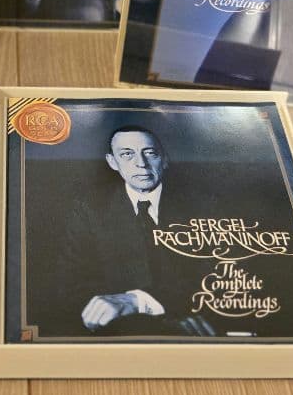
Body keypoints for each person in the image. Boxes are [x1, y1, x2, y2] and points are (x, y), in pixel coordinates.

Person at [56, 126, 214, 336]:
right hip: (121, 331)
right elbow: (71, 284)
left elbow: (219, 276)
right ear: (113, 162)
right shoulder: (89, 210)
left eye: (150, 153)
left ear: (164, 159)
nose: (141, 163)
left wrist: (147, 303)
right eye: (127, 154)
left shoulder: (203, 206)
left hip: (193, 323)